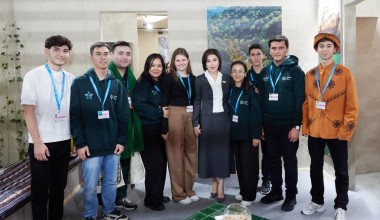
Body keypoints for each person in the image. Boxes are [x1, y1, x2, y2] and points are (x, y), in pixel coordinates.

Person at [301, 33, 359, 220]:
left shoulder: (345, 73)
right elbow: (306, 104)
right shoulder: (310, 75)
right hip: (315, 130)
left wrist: (346, 130)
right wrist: (306, 127)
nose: (324, 49)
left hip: (337, 132)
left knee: (341, 170)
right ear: (316, 49)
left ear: (335, 49)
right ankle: (317, 201)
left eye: (328, 46)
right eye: (321, 46)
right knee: (315, 169)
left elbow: (352, 105)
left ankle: (341, 204)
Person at [70, 42, 129, 220]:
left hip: (112, 145)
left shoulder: (116, 84)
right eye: (98, 54)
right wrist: (80, 143)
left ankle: (109, 211)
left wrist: (121, 140)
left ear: (110, 56)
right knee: (89, 185)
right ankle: (89, 215)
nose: (102, 57)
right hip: (90, 146)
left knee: (111, 182)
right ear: (91, 57)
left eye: (106, 53)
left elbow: (123, 115)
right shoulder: (80, 83)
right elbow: (75, 115)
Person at [21, 35, 74, 220]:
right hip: (42, 143)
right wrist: (37, 143)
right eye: (56, 50)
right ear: (46, 51)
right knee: (40, 190)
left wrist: (73, 140)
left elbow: (72, 113)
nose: (61, 54)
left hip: (64, 141)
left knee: (59, 188)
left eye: (65, 50)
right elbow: (28, 112)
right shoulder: (33, 76)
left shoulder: (71, 79)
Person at [259, 35, 305, 212]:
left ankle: (291, 195)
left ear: (286, 49)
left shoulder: (295, 71)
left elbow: (299, 99)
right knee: (272, 161)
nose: (277, 51)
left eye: (280, 48)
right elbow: (262, 100)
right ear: (269, 50)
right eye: (274, 48)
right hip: (269, 126)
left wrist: (296, 126)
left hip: (288, 127)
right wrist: (261, 125)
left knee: (290, 162)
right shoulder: (265, 72)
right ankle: (276, 192)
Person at [106, 41, 143, 211]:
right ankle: (107, 200)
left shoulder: (131, 76)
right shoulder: (106, 75)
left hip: (128, 128)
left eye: (128, 53)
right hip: (110, 129)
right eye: (120, 53)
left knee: (125, 162)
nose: (125, 57)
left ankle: (121, 197)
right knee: (110, 165)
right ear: (112, 55)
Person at [193, 48, 231, 203]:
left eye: (214, 60)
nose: (212, 63)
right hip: (207, 120)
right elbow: (196, 101)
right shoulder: (200, 79)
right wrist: (195, 122)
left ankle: (221, 184)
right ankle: (213, 182)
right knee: (210, 153)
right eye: (208, 61)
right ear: (205, 63)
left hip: (224, 119)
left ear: (219, 61)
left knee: (222, 153)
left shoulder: (226, 78)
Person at [133, 53, 170, 211]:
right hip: (147, 129)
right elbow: (139, 106)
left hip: (159, 129)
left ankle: (157, 194)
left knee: (162, 164)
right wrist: (160, 112)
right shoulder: (143, 83)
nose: (156, 68)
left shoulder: (161, 82)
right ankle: (151, 200)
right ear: (147, 67)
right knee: (154, 165)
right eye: (153, 65)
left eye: (159, 65)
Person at [161, 48, 198, 205]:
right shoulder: (169, 78)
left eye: (184, 60)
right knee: (175, 155)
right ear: (173, 63)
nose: (181, 63)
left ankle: (189, 189)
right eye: (178, 60)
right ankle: (178, 193)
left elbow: (197, 100)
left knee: (191, 153)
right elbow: (163, 104)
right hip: (174, 114)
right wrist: (164, 127)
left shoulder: (194, 79)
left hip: (191, 115)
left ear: (188, 60)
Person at [229, 61, 262, 207]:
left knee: (249, 166)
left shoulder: (251, 90)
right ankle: (243, 191)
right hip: (235, 134)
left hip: (248, 136)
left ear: (245, 73)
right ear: (231, 73)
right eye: (234, 71)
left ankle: (249, 196)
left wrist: (256, 135)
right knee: (240, 166)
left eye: (240, 71)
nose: (237, 74)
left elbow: (256, 114)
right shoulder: (230, 89)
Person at [246, 43, 271, 195]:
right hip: (252, 119)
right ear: (249, 57)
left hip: (268, 118)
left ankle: (266, 180)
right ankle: (251, 180)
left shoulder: (270, 72)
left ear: (263, 55)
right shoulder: (246, 75)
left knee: (268, 153)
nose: (256, 57)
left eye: (258, 54)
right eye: (253, 54)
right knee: (251, 154)